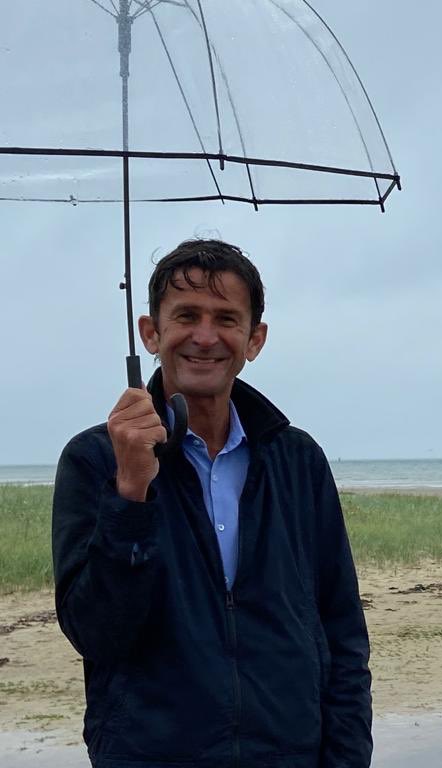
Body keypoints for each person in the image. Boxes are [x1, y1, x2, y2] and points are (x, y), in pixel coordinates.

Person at [52, 239, 371, 768]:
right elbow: (96, 633)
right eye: (186, 316)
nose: (205, 337)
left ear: (254, 339)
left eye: (226, 319)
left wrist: (347, 756)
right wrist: (131, 493)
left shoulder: (298, 460)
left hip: (290, 753)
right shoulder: (94, 460)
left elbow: (342, 631)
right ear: (151, 333)